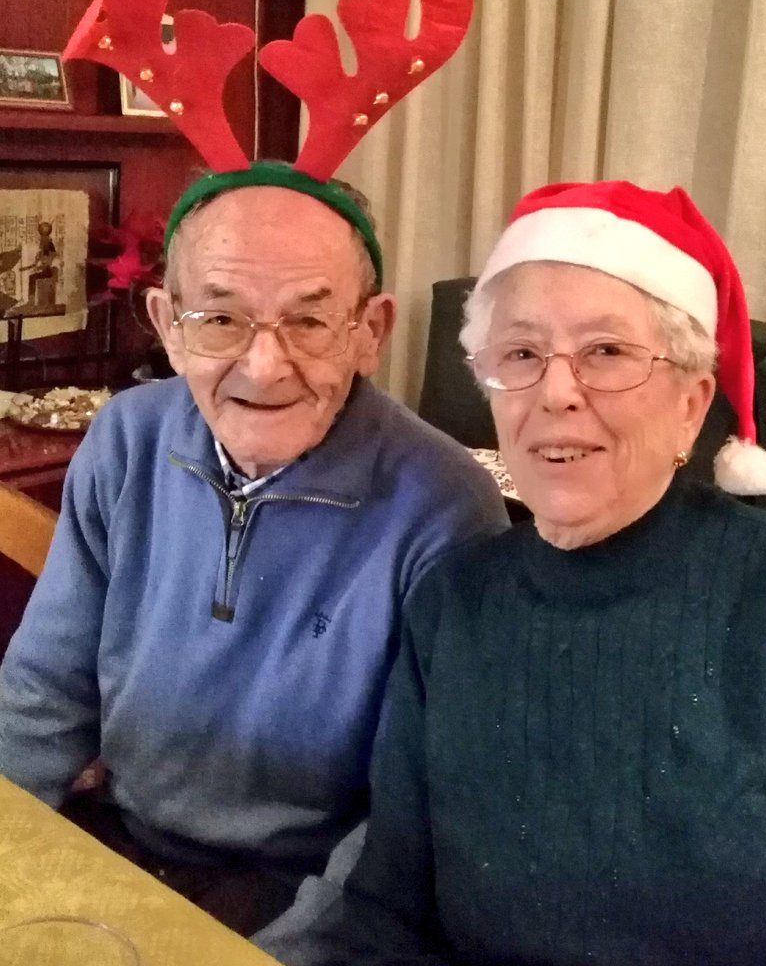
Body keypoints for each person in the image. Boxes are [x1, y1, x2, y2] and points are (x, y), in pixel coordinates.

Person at [289, 181, 766, 966]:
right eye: (521, 355)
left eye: (606, 352)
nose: (556, 393)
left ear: (690, 402)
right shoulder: (454, 601)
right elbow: (387, 909)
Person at [0, 165, 509, 937]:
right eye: (220, 318)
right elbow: (45, 687)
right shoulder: (126, 439)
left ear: (370, 332)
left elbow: (411, 816)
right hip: (120, 835)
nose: (265, 368)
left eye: (310, 321)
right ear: (168, 325)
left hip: (301, 892)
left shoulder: (446, 506)